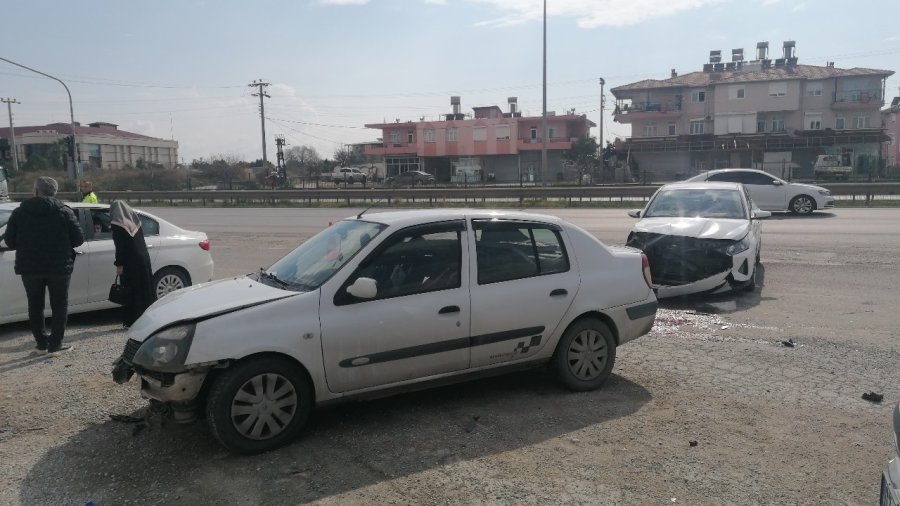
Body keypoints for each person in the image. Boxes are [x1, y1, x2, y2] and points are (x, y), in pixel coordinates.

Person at [5, 176, 85, 352]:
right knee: (59, 305)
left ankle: (41, 343)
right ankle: (56, 344)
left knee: (35, 305)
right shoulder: (64, 211)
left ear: (35, 191)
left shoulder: (20, 212)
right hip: (59, 267)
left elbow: (9, 242)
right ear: (54, 192)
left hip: (30, 268)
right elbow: (79, 239)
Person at [110, 200, 155, 327]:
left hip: (130, 262)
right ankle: (146, 318)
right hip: (143, 259)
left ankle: (133, 320)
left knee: (131, 291)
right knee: (144, 289)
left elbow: (120, 247)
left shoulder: (118, 225)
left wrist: (119, 264)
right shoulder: (135, 222)